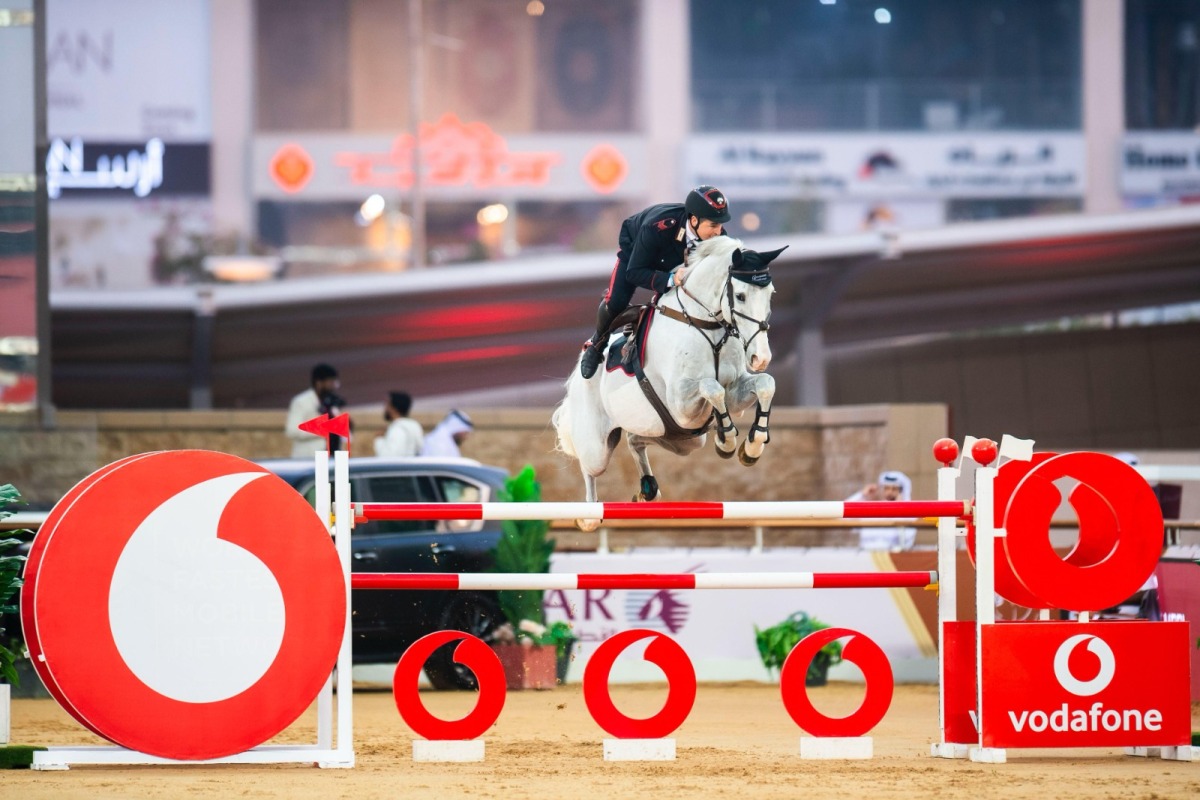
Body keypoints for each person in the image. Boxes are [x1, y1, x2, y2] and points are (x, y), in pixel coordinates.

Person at [578, 185, 732, 379]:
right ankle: (597, 343)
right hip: (637, 255)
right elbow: (634, 273)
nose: (718, 232)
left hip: (676, 258)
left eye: (720, 225)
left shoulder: (718, 235)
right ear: (694, 220)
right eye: (713, 226)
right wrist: (669, 279)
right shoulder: (658, 226)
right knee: (616, 300)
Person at [285, 363, 346, 457]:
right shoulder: (301, 401)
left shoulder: (332, 403)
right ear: (319, 383)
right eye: (330, 382)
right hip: (308, 459)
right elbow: (292, 431)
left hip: (333, 457)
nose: (334, 386)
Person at [847, 470, 917, 551]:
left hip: (891, 557)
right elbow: (843, 516)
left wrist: (899, 507)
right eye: (886, 488)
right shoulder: (871, 509)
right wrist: (862, 495)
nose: (889, 492)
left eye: (894, 489)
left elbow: (907, 541)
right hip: (866, 554)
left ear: (902, 492)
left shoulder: (909, 513)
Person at [374, 391, 424, 458]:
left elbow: (387, 457)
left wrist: (379, 439)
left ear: (394, 409)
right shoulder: (414, 426)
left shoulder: (398, 429)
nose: (385, 408)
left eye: (388, 405)